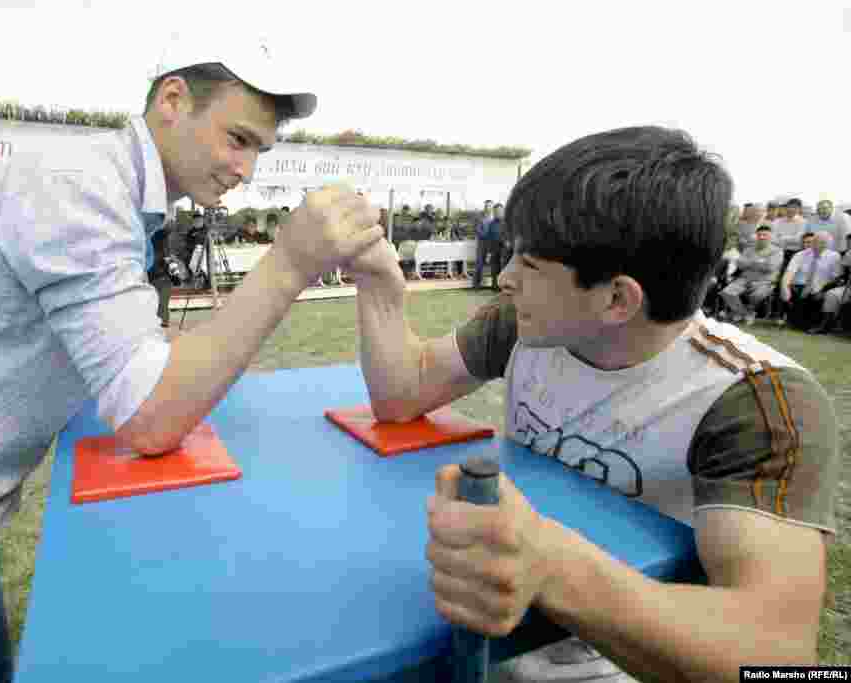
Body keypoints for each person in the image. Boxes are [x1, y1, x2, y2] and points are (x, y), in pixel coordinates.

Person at [0, 41, 384, 683]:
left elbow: (134, 363)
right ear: (172, 100)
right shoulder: (80, 188)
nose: (246, 169)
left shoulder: (102, 182)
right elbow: (149, 416)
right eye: (238, 138)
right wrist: (288, 263)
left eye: (259, 149)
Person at [344, 126, 837, 681]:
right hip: (480, 643)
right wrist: (377, 283)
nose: (504, 279)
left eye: (528, 265)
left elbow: (778, 658)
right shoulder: (529, 327)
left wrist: (549, 565)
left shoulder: (753, 400)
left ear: (616, 299)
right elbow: (401, 394)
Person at [719, 224, 783, 324]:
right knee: (727, 292)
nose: (761, 237)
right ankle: (743, 313)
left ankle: (746, 312)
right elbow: (740, 264)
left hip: (764, 281)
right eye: (759, 235)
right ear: (756, 236)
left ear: (770, 236)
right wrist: (759, 262)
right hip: (745, 279)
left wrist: (750, 263)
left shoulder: (777, 251)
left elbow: (770, 267)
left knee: (756, 295)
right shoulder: (749, 249)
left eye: (765, 235)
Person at [781, 232, 842, 331]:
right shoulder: (800, 255)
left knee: (815, 300)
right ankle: (792, 320)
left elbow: (836, 278)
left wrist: (823, 290)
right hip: (800, 286)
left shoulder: (835, 256)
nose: (817, 244)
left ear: (827, 244)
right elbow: (789, 273)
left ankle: (816, 324)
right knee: (793, 294)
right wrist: (784, 286)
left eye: (822, 242)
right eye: (815, 241)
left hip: (821, 288)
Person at [472, 199, 502, 290]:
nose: (487, 207)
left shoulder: (495, 217)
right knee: (479, 264)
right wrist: (486, 236)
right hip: (482, 244)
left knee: (495, 265)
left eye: (489, 206)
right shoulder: (480, 217)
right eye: (486, 206)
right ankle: (477, 284)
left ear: (492, 207)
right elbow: (478, 230)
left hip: (493, 244)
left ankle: (496, 284)